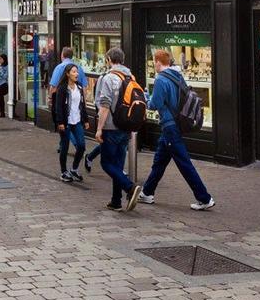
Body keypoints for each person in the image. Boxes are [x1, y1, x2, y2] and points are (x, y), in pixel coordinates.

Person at [139, 50, 214, 210]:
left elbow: (154, 104)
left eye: (154, 61)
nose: (154, 64)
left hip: (169, 126)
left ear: (158, 62)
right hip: (176, 123)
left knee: (184, 162)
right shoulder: (177, 75)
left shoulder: (160, 80)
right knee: (159, 161)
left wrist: (146, 97)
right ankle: (147, 192)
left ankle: (205, 198)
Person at [93, 47, 142, 212]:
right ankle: (116, 201)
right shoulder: (131, 77)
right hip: (126, 127)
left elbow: (104, 105)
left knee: (106, 163)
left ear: (108, 60)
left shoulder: (108, 78)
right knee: (117, 166)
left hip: (111, 127)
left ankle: (129, 187)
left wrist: (99, 129)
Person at [51, 64, 87, 181]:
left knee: (81, 146)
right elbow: (58, 107)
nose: (77, 74)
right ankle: (63, 171)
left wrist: (85, 119)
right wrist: (60, 122)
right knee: (65, 147)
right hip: (66, 122)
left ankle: (74, 169)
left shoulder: (80, 88)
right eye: (74, 72)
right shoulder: (62, 88)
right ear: (67, 74)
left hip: (77, 121)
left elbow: (82, 105)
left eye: (77, 72)